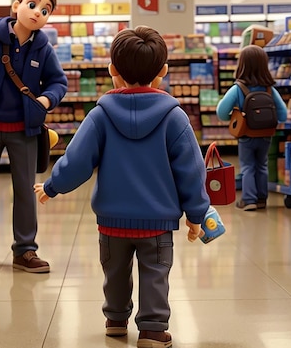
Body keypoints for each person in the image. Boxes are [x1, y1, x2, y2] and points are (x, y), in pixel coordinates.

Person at [34, 26, 208, 348]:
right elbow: (192, 171)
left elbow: (77, 161)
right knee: (156, 273)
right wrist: (196, 214)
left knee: (114, 272)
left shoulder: (100, 115)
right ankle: (153, 330)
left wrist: (52, 186)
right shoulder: (175, 118)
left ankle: (115, 319)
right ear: (163, 73)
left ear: (112, 71)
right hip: (157, 222)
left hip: (111, 221)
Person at [0, 0, 68, 273]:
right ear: (16, 6)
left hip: (25, 128)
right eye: (33, 5)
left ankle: (25, 250)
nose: (38, 12)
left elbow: (59, 82)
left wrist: (47, 99)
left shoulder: (43, 49)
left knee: (25, 188)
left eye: (45, 11)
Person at [216, 45, 287, 211]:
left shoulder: (238, 89)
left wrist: (232, 118)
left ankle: (249, 200)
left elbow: (221, 112)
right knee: (262, 165)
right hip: (266, 134)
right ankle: (262, 198)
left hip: (246, 134)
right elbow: (283, 114)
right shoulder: (270, 89)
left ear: (242, 65)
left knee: (247, 166)